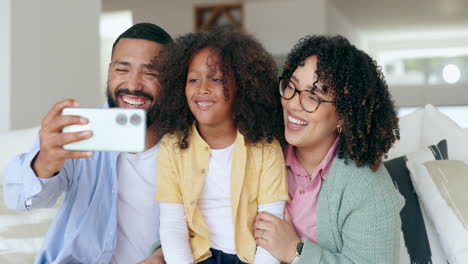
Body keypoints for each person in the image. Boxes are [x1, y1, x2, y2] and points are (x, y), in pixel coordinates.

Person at [3, 23, 172, 264]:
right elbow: (18, 199)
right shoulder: (80, 130)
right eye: (122, 70)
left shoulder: (192, 144)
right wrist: (43, 164)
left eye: (151, 73)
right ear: (109, 71)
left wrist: (164, 255)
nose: (134, 85)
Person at [254, 35, 405, 264]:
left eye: (313, 97)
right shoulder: (261, 154)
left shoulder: (368, 187)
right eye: (291, 87)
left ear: (344, 115)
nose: (293, 104)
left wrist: (294, 251)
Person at [153, 27, 289, 264]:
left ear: (242, 87)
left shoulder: (266, 149)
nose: (202, 88)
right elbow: (173, 227)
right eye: (193, 79)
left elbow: (271, 231)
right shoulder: (171, 147)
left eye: (216, 79)